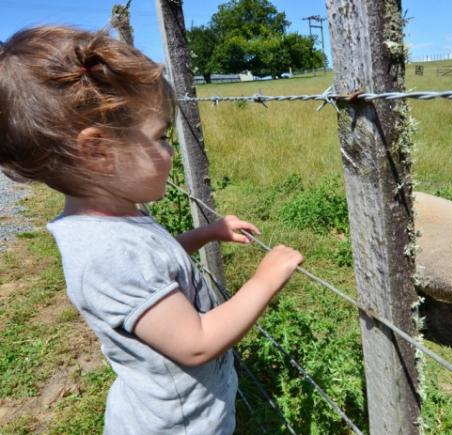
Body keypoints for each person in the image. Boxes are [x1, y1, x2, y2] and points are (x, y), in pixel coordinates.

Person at [0, 26, 303, 434]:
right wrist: (265, 279)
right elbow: (196, 342)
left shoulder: (112, 221)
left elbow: (153, 267)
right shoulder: (106, 252)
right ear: (98, 151)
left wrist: (207, 233)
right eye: (160, 137)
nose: (170, 151)